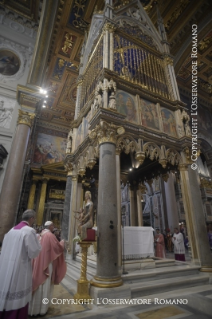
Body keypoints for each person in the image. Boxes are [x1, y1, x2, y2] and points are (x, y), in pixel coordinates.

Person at [0, 209, 41, 319]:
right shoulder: (29, 231)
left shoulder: (11, 230)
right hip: (20, 268)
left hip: (6, 267)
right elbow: (34, 252)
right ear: (31, 218)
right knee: (17, 293)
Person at [29, 221, 66, 316]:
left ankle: (34, 309)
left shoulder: (39, 235)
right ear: (50, 227)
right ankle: (41, 310)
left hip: (38, 263)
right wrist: (62, 243)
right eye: (53, 225)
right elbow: (57, 248)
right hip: (46, 264)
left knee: (38, 283)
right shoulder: (50, 235)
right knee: (44, 284)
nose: (54, 227)